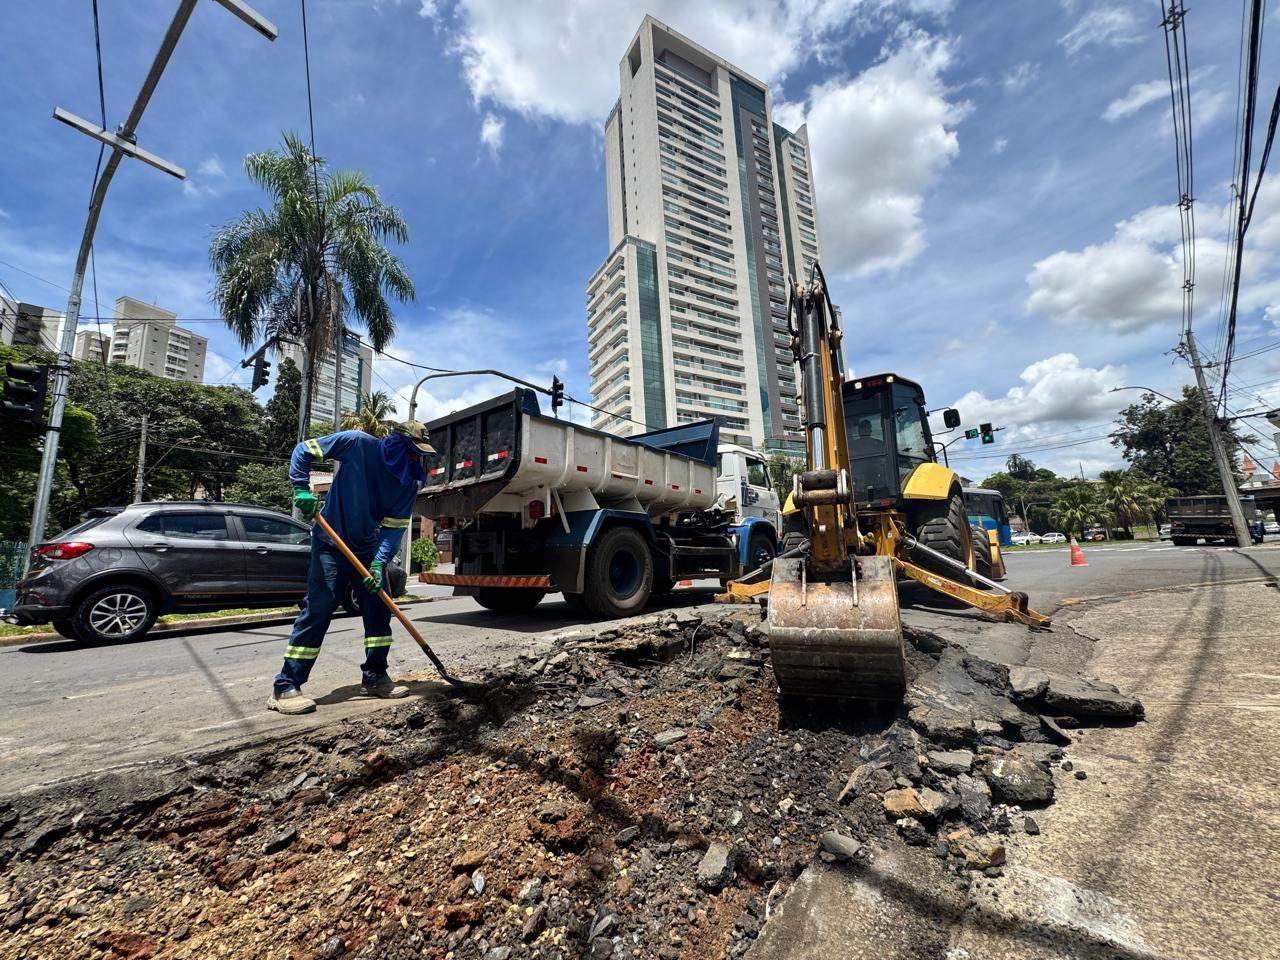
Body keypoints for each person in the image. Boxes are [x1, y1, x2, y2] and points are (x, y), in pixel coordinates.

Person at [268, 421, 435, 715]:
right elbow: (303, 450)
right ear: (395, 443)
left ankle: (374, 676)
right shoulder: (356, 443)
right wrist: (301, 489)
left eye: (418, 456)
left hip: (366, 546)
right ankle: (285, 686)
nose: (414, 461)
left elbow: (393, 531)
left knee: (379, 606)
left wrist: (379, 563)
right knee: (320, 607)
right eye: (410, 453)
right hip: (329, 542)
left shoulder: (408, 484)